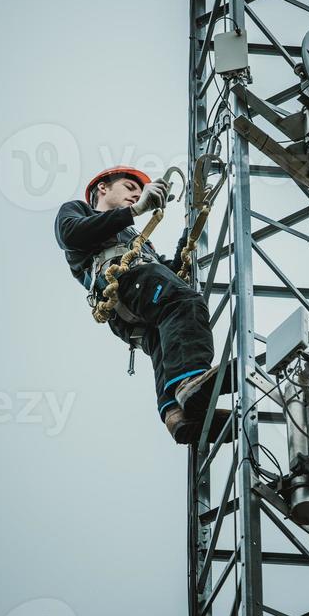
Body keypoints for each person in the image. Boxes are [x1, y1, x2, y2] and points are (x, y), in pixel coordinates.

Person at [54, 167, 219, 443]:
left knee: (161, 337)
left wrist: (191, 225)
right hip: (124, 284)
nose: (136, 194)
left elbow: (172, 272)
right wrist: (135, 211)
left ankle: (176, 415)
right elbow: (71, 234)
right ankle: (189, 383)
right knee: (183, 302)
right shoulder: (78, 211)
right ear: (102, 188)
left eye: (140, 192)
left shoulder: (135, 238)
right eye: (130, 186)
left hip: (135, 298)